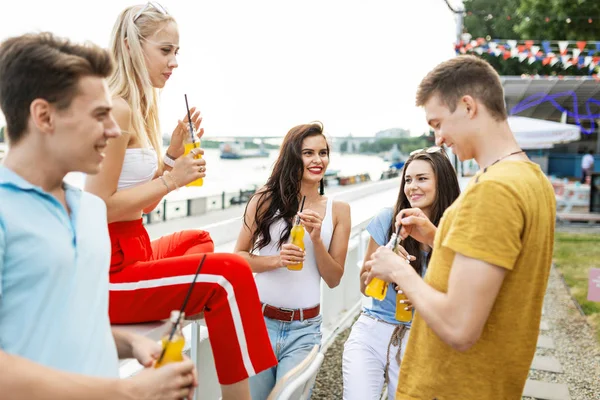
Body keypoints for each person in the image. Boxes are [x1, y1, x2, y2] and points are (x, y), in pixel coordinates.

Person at [83, 4, 276, 399]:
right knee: (228, 274)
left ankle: (179, 331)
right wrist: (172, 179)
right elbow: (97, 206)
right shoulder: (116, 108)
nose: (174, 62)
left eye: (177, 53)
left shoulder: (139, 108)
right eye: (166, 50)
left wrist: (169, 158)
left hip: (133, 248)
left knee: (200, 241)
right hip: (106, 273)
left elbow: (140, 206)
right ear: (130, 46)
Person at [0, 32, 197, 400]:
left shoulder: (91, 212)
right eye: (100, 115)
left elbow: (72, 323)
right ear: (44, 116)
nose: (113, 129)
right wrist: (127, 392)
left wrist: (130, 342)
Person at [365, 54, 556, 400]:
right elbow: (499, 265)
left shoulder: (493, 191)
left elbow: (459, 327)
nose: (438, 138)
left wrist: (398, 270)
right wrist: (437, 237)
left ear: (468, 106)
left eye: (438, 123)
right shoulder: (531, 178)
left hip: (453, 387)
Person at [234, 122, 352, 400]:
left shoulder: (339, 211)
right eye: (308, 153)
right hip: (259, 322)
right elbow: (237, 256)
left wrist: (317, 240)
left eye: (323, 153)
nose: (318, 160)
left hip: (305, 329)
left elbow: (334, 279)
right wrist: (276, 260)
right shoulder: (263, 200)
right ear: (292, 157)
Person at [342, 148, 460, 400]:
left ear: (443, 181)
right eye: (408, 179)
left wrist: (411, 281)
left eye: (422, 179)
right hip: (372, 330)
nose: (412, 187)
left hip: (420, 339)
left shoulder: (455, 230)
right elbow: (364, 286)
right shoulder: (389, 219)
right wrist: (382, 268)